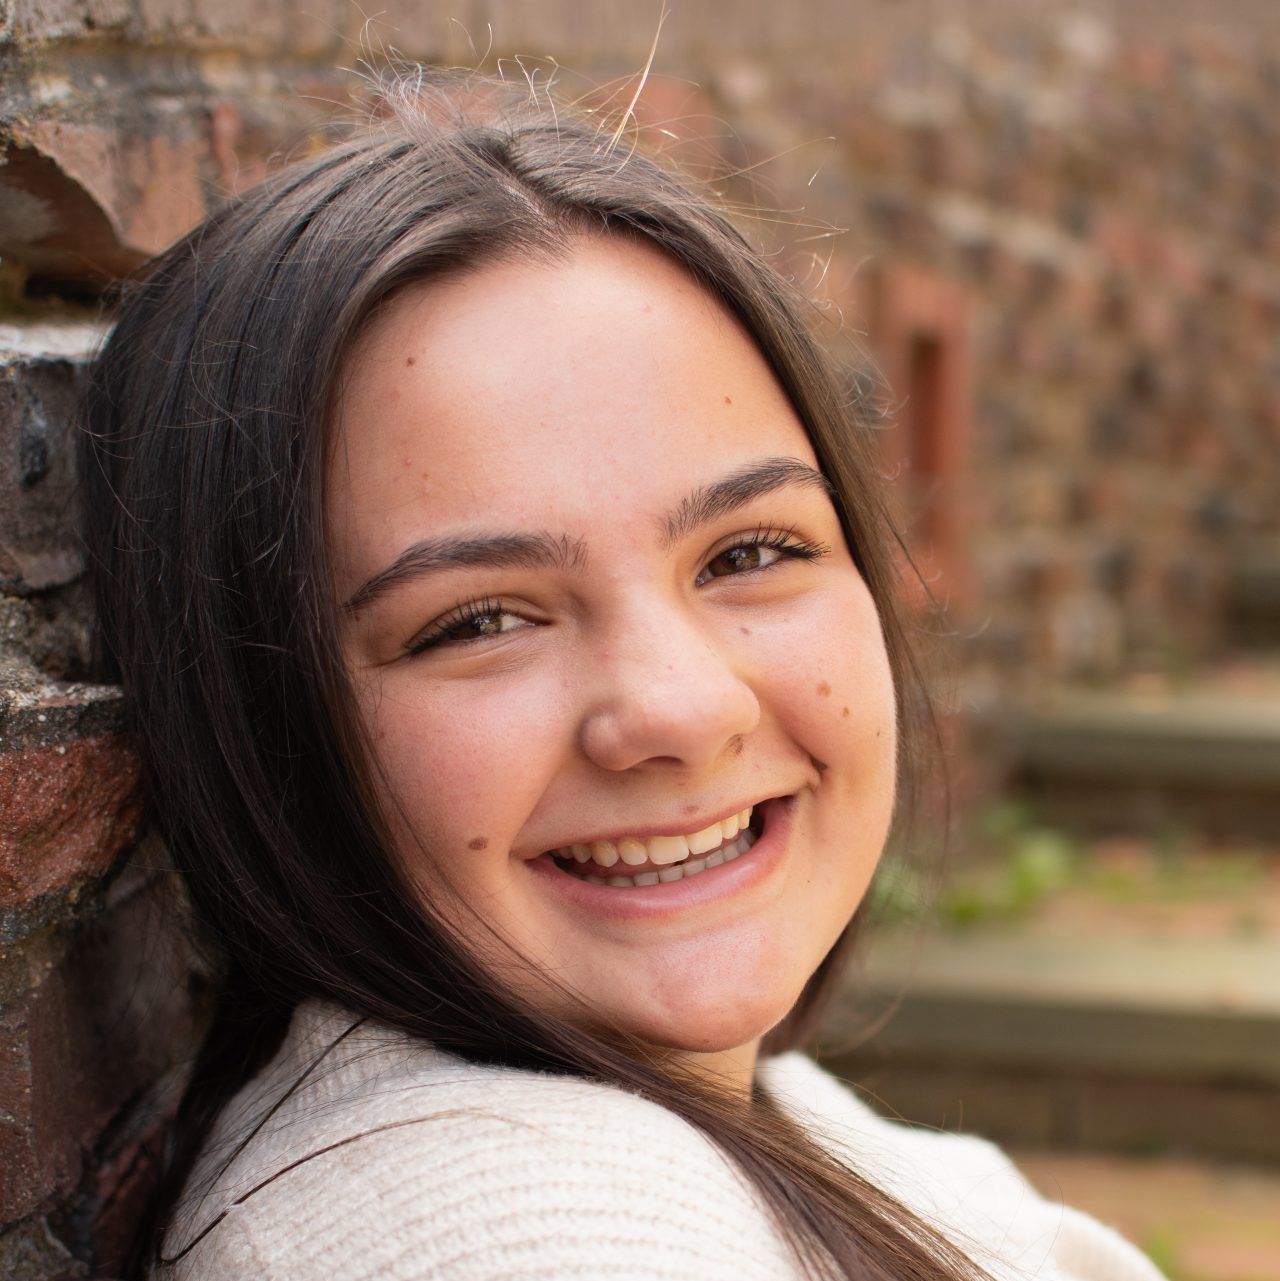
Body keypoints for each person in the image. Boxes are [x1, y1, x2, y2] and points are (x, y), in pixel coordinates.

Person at [80, 71, 1164, 1281]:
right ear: (257, 724)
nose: (680, 709)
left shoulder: (779, 1124)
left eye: (749, 553)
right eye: (479, 620)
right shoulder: (507, 1233)